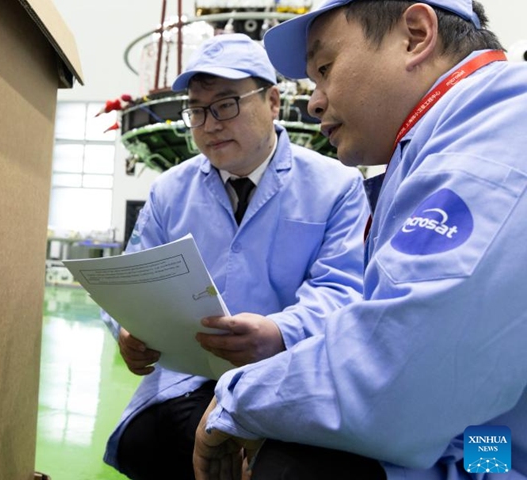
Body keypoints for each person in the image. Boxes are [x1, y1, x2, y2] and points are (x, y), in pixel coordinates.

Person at [193, 1, 527, 479]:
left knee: (301, 466)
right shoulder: (445, 140)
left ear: (415, 35)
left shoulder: (494, 152)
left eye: (325, 69)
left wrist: (235, 400)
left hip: (501, 452)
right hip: (486, 432)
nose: (314, 100)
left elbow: (397, 374)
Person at [100, 33, 370, 480]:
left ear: (273, 102)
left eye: (226, 104)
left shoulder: (334, 186)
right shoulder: (171, 190)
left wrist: (278, 332)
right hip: (184, 380)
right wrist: (127, 329)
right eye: (197, 109)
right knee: (144, 442)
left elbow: (342, 289)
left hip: (286, 375)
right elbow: (131, 277)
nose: (210, 123)